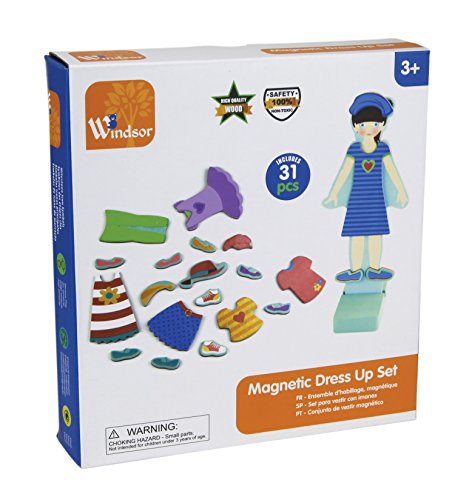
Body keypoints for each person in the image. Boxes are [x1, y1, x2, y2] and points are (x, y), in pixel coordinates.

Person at [323, 92, 408, 282]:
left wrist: (401, 190)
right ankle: (355, 270)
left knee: (376, 234)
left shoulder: (383, 149)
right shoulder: (354, 149)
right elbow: (344, 172)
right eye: (363, 124)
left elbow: (391, 170)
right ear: (355, 126)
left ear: (382, 124)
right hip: (357, 201)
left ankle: (374, 269)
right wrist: (334, 193)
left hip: (376, 200)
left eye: (374, 124)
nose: (369, 128)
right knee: (357, 235)